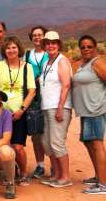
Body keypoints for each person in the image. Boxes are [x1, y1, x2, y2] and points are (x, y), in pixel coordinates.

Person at [0, 36, 36, 186]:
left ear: (19, 49)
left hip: (19, 113)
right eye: (8, 48)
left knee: (17, 146)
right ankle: (9, 173)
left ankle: (23, 173)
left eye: (14, 47)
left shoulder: (27, 67)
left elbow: (32, 91)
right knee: (4, 146)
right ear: (4, 51)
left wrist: (21, 110)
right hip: (2, 114)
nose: (11, 50)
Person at [72, 35, 106, 194]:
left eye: (89, 46)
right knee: (89, 143)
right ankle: (99, 177)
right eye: (83, 47)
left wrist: (101, 101)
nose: (86, 49)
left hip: (95, 110)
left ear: (95, 48)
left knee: (97, 144)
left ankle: (104, 184)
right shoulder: (84, 64)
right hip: (86, 111)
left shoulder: (97, 62)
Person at [39, 31, 73, 188]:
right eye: (48, 43)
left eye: (54, 42)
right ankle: (57, 175)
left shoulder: (62, 61)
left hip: (58, 107)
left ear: (59, 44)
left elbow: (66, 85)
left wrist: (60, 107)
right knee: (47, 143)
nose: (50, 45)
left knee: (57, 142)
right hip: (46, 107)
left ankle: (65, 177)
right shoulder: (48, 62)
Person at [25, 26, 49, 179]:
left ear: (45, 36)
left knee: (51, 133)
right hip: (33, 96)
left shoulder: (51, 53)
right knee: (36, 134)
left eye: (40, 35)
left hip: (49, 96)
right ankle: (40, 165)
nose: (37, 37)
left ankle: (56, 165)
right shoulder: (27, 55)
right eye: (34, 35)